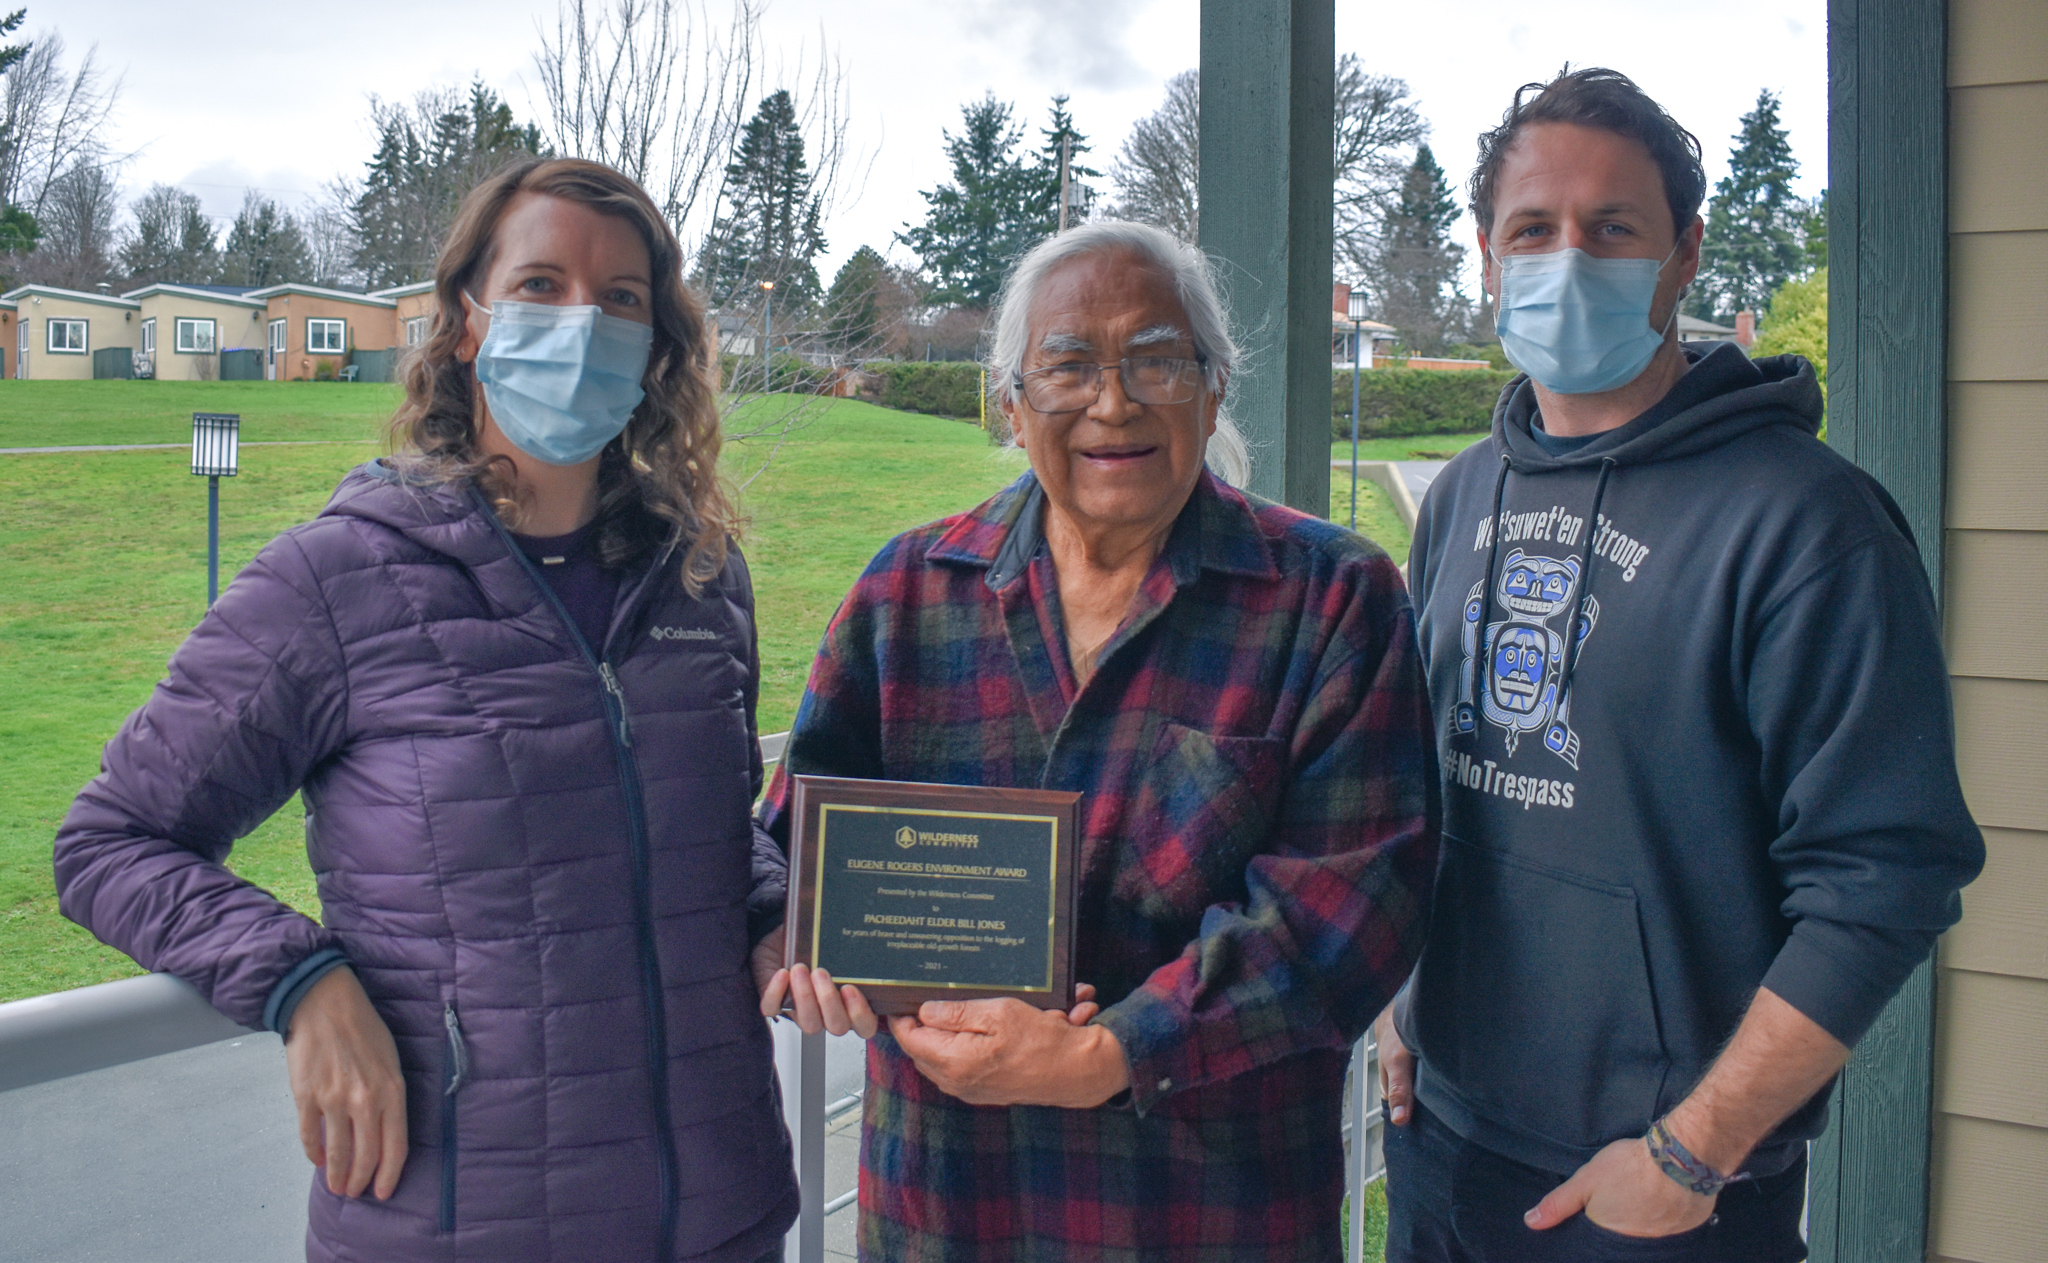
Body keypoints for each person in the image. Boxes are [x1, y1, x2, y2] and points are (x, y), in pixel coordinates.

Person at [53, 158, 798, 1263]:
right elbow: (111, 841)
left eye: (620, 298)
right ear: (466, 324)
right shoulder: (338, 578)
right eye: (540, 285)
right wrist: (302, 982)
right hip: (453, 1224)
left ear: (655, 349)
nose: (581, 321)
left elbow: (705, 829)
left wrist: (772, 910)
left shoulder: (699, 578)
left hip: (719, 1213)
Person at [1377, 68, 1984, 1262]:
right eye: (1531, 230)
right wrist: (1406, 1000)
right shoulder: (1457, 498)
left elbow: (1885, 874)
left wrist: (1690, 1151)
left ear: (1682, 252)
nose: (1567, 258)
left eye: (1612, 229)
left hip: (1664, 1193)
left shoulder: (1808, 527)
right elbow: (1432, 785)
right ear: (1486, 259)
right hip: (1440, 1140)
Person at [753, 219, 1439, 1261]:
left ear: (1211, 393)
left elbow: (1351, 908)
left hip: (1206, 1215)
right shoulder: (905, 596)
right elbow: (793, 837)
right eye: (1066, 365)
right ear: (1009, 403)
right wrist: (796, 942)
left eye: (1156, 361)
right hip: (946, 1206)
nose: (1111, 403)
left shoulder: (1332, 603)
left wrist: (1113, 1051)